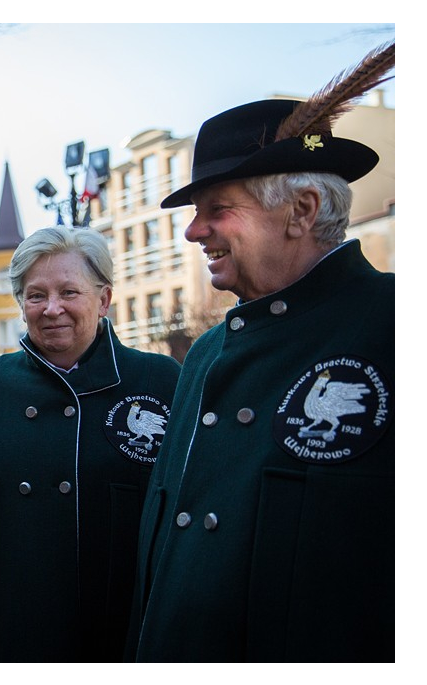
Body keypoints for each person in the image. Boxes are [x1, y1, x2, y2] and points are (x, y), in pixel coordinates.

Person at [127, 44, 395, 662]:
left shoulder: (397, 329)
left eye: (217, 210)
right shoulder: (205, 354)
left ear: (300, 211)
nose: (194, 232)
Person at [0, 226, 181, 662]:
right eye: (35, 295)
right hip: (12, 641)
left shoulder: (160, 381)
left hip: (125, 641)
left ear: (104, 299)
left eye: (69, 292)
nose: (52, 309)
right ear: (21, 305)